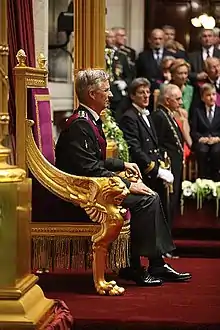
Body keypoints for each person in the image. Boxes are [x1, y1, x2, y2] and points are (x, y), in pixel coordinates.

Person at [55, 69, 191, 286]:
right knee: (147, 198)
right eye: (106, 90)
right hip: (83, 191)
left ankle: (156, 263)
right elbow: (88, 168)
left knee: (150, 194)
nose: (110, 95)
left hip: (93, 185)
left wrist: (122, 164)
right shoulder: (80, 124)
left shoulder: (88, 119)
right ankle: (133, 267)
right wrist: (127, 184)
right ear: (92, 94)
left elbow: (93, 161)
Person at [151, 84, 184, 227]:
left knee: (174, 200)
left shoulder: (168, 114)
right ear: (167, 100)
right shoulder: (159, 116)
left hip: (175, 163)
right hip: (167, 164)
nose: (181, 102)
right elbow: (157, 142)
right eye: (177, 99)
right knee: (168, 202)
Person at [190, 83, 220, 181]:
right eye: (208, 95)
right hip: (203, 140)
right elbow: (193, 130)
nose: (211, 97)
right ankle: (203, 179)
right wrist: (201, 138)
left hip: (217, 141)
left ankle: (216, 180)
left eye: (213, 94)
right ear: (202, 98)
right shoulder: (197, 111)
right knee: (202, 151)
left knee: (216, 152)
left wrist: (217, 138)